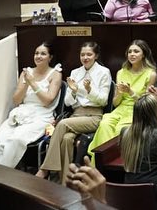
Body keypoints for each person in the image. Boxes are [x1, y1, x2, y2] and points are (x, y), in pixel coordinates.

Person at [34, 40, 109, 181]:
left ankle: (45, 169)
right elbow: (68, 102)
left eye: (89, 54)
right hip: (76, 115)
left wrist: (89, 90)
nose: (85, 58)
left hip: (94, 116)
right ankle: (66, 182)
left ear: (96, 56)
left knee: (62, 124)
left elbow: (103, 101)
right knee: (67, 139)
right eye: (82, 55)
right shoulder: (75, 72)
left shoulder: (104, 72)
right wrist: (74, 92)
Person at [0, 41, 63, 168]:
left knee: (15, 140)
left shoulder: (55, 74)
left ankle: (2, 174)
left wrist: (32, 83)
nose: (38, 56)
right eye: (36, 53)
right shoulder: (26, 73)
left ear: (50, 57)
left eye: (43, 54)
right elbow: (16, 100)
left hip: (42, 115)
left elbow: (47, 101)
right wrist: (26, 84)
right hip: (21, 112)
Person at [88, 40, 157, 155]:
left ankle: (114, 160)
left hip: (137, 109)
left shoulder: (151, 74)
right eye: (130, 52)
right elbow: (115, 103)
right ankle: (102, 158)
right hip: (121, 109)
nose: (132, 54)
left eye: (136, 51)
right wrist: (120, 93)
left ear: (143, 55)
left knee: (120, 129)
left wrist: (130, 92)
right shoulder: (121, 72)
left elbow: (146, 103)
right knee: (105, 124)